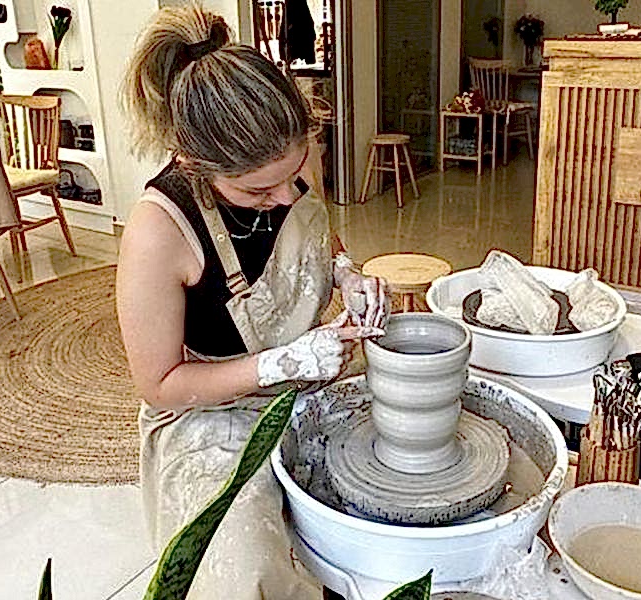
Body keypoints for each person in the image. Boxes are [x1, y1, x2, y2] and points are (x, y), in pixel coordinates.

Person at [116, 4, 389, 599]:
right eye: (260, 189)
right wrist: (281, 362)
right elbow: (160, 385)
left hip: (302, 390)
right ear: (196, 166)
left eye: (295, 175)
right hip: (208, 414)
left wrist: (346, 272)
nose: (286, 195)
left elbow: (317, 235)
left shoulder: (289, 163)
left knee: (387, 502)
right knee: (245, 572)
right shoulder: (158, 231)